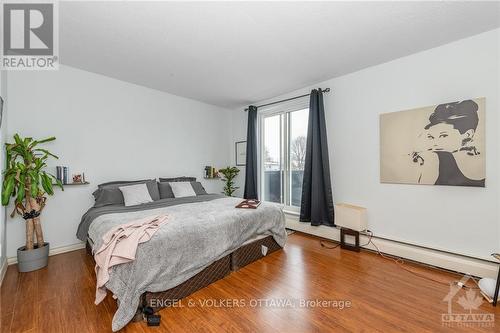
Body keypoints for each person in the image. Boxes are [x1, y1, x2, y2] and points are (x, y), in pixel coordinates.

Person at [412, 100, 484, 187]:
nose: (435, 143)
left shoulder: (479, 170)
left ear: (467, 135)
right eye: (431, 137)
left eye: (443, 136)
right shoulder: (431, 160)